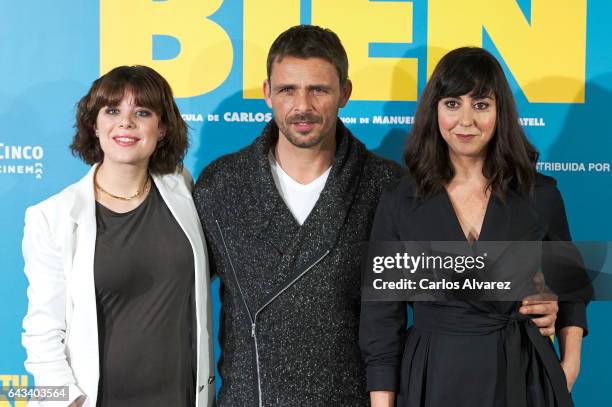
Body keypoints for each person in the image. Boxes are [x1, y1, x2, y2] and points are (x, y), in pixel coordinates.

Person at [194, 27, 560, 406]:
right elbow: (178, 292)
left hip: (359, 395)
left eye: (318, 89)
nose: (302, 105)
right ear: (267, 93)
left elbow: (462, 283)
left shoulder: (387, 186)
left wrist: (539, 297)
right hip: (249, 396)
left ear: (345, 94)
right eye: (288, 89)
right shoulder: (221, 185)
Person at [360, 47, 588, 407]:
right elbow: (381, 320)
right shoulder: (399, 200)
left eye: (481, 104)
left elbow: (571, 282)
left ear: (500, 113)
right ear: (434, 110)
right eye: (452, 103)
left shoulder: (539, 193)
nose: (466, 120)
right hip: (432, 377)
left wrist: (569, 365)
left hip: (524, 375)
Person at [21, 66, 215, 407]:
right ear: (94, 125)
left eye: (142, 112)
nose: (126, 123)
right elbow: (42, 331)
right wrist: (69, 401)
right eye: (112, 111)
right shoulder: (52, 218)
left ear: (162, 128)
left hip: (183, 397)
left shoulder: (181, 187)